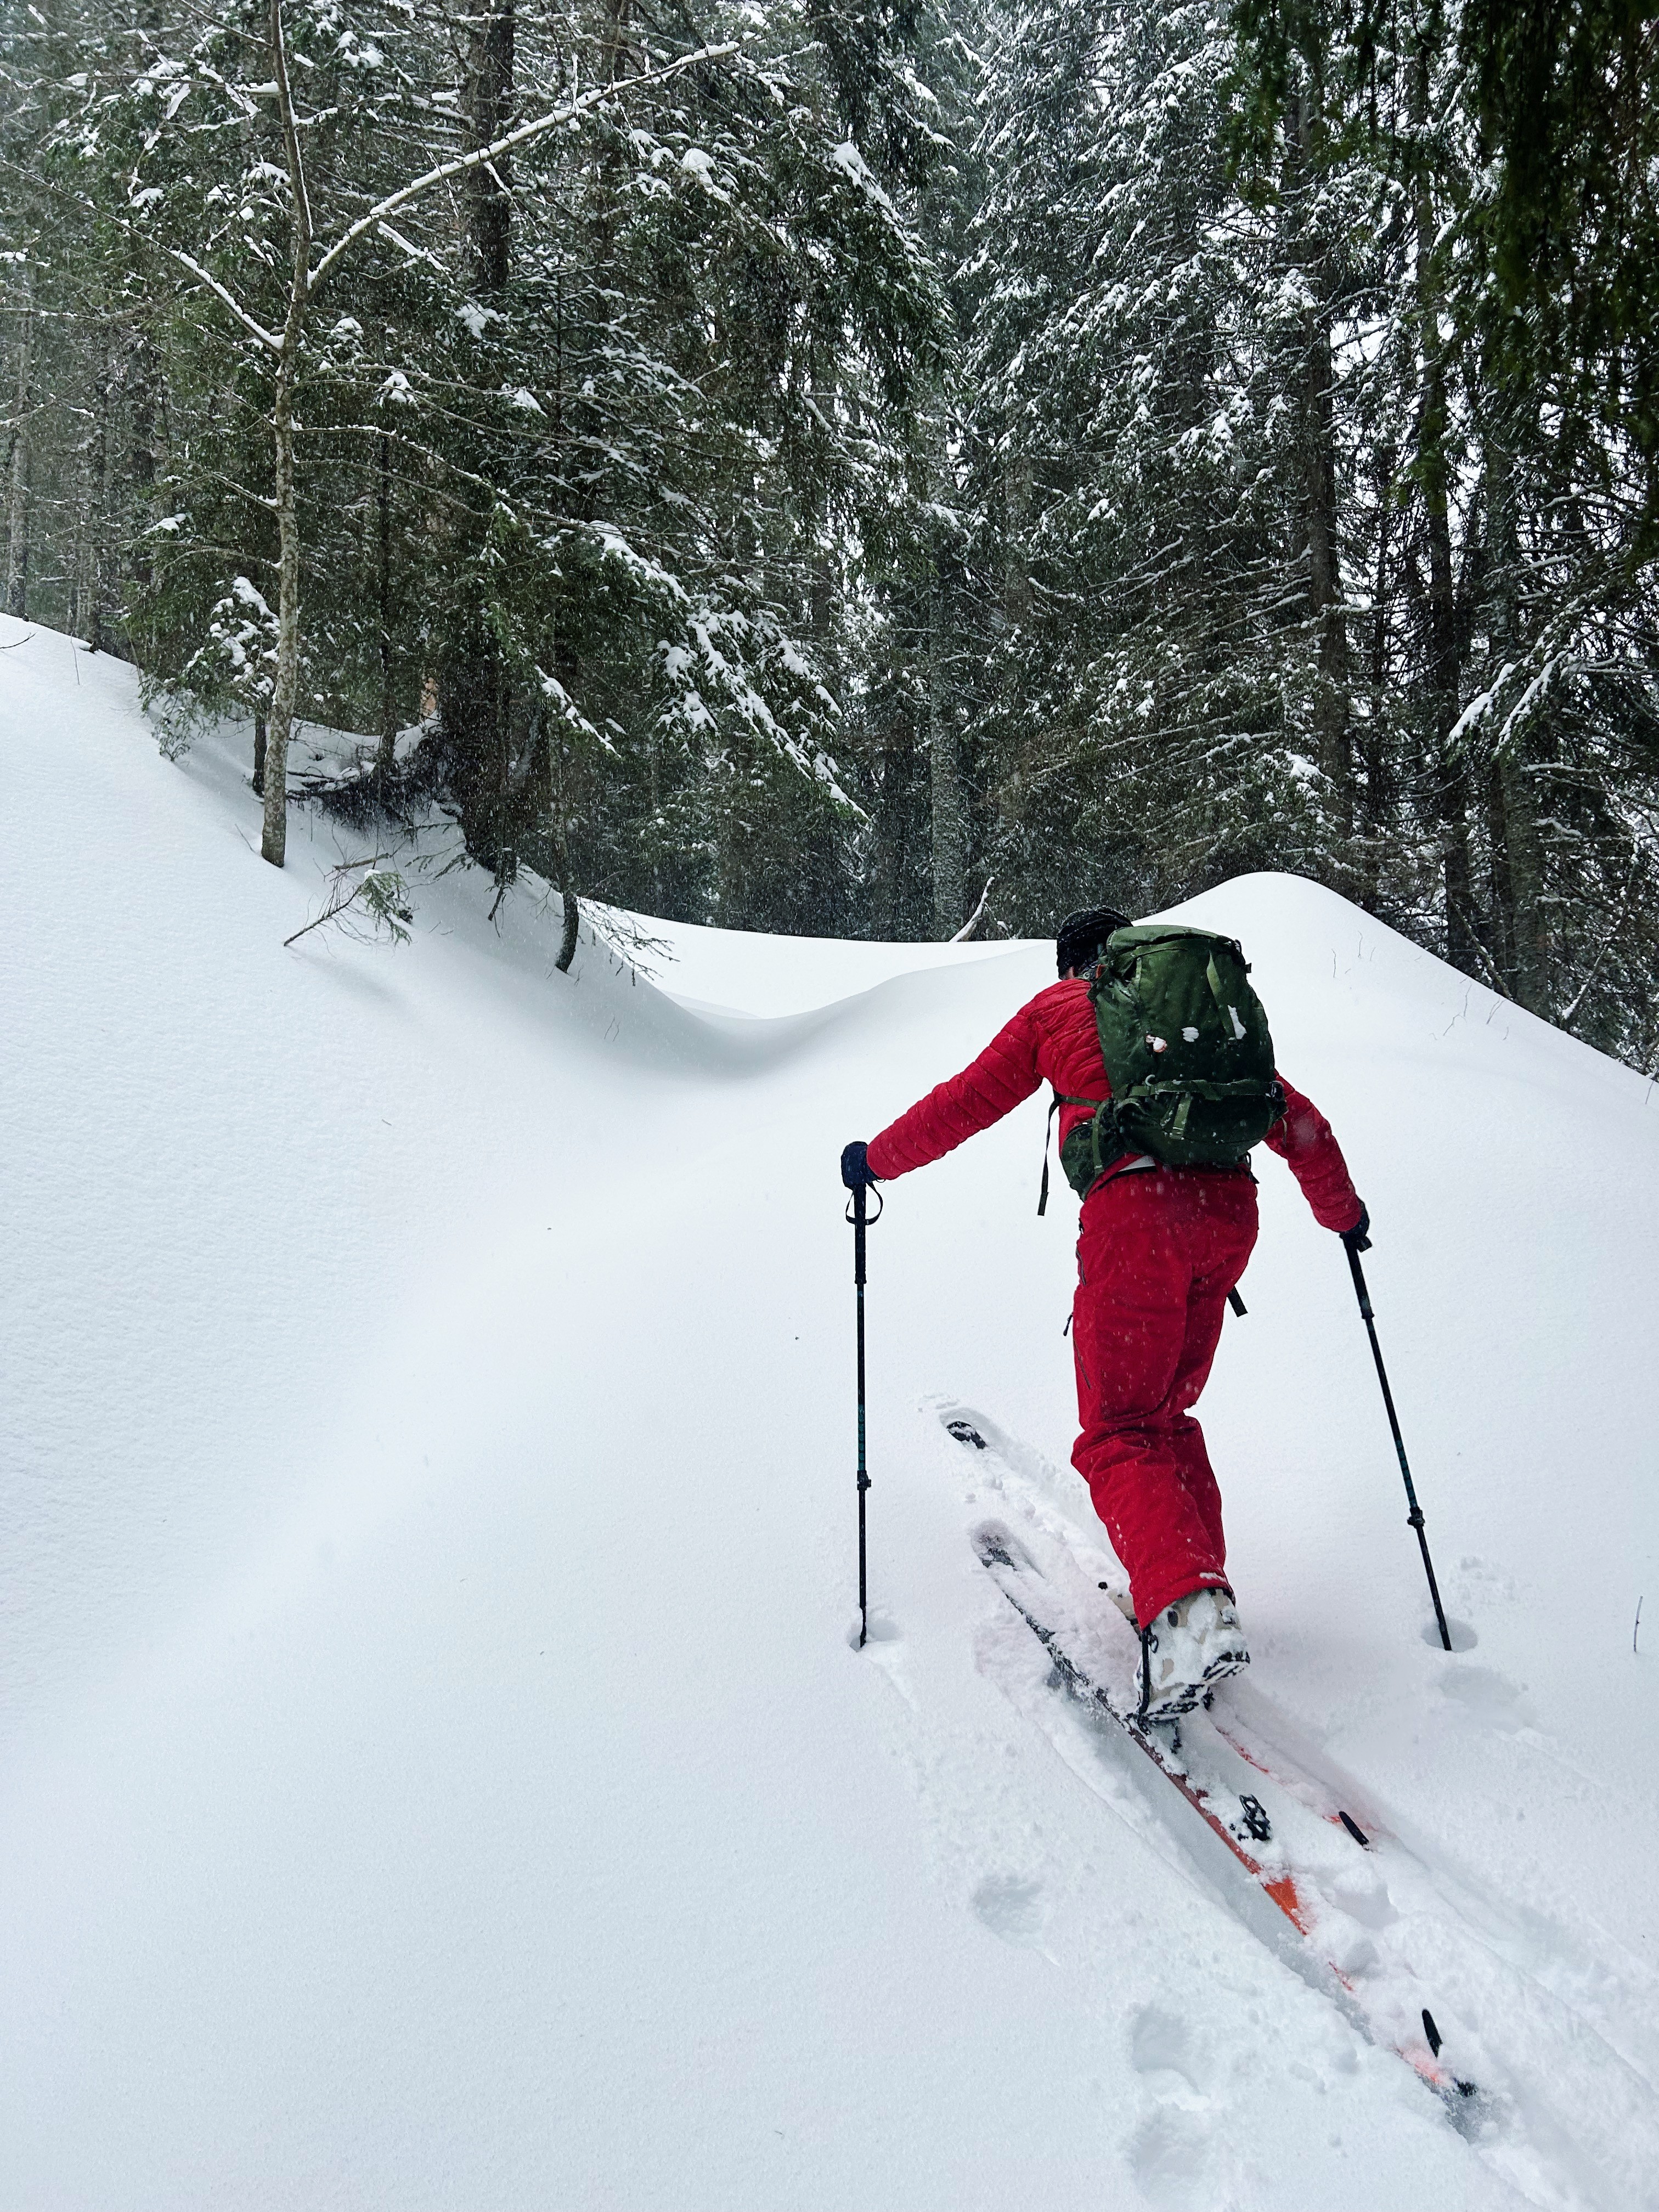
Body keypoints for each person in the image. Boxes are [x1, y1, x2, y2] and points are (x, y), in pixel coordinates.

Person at [840, 905, 1370, 1723]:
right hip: (1229, 1215)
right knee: (1164, 1413)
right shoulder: (1198, 1024)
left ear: (1069, 966)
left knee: (1119, 1429)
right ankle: (1194, 1591)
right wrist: (1345, 1217)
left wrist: (873, 1160)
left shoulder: (1056, 1011)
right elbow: (1298, 1123)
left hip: (1137, 1219)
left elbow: (964, 1103)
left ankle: (1187, 1608)